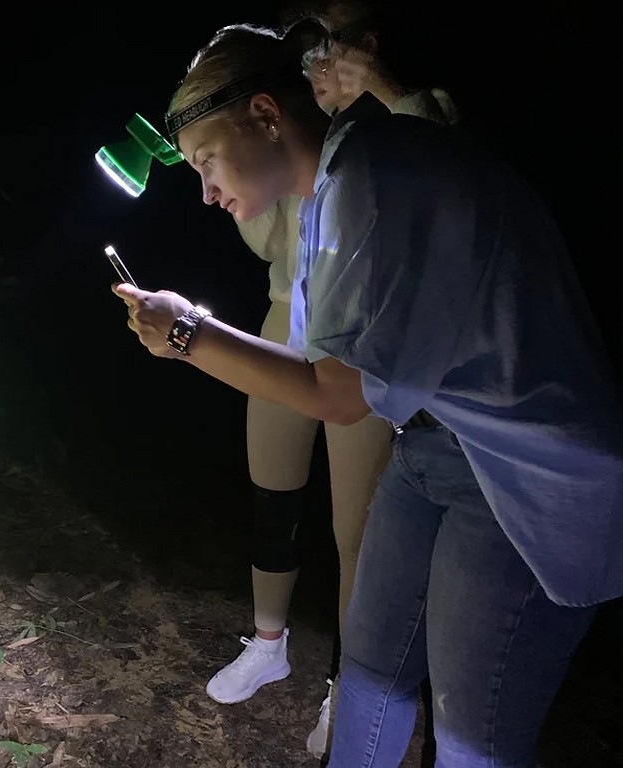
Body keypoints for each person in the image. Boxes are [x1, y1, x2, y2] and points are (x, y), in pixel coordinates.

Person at [112, 21, 623, 768]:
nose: (206, 190)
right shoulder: (343, 178)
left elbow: (338, 395)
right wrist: (192, 327)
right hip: (438, 439)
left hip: (530, 468)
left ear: (264, 114)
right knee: (371, 673)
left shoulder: (373, 182)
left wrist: (189, 333)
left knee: (472, 735)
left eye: (206, 161)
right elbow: (323, 364)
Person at [216, 3, 457, 762]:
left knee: (358, 531)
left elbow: (452, 169)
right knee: (271, 491)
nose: (323, 61)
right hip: (284, 322)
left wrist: (383, 89)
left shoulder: (408, 115)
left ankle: (343, 688)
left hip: (366, 349)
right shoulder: (287, 127)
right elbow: (263, 239)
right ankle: (267, 642)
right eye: (310, 47)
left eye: (337, 42)